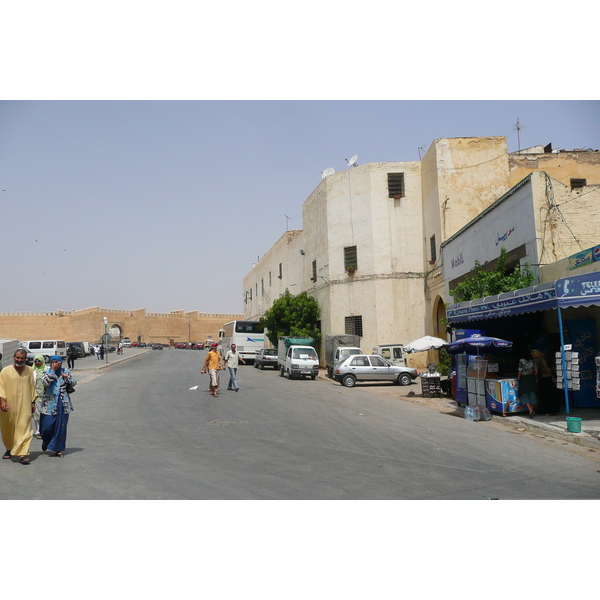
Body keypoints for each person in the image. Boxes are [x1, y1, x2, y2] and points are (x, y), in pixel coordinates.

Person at [0, 349, 36, 465]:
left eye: (22, 358)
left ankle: (23, 454)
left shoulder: (29, 371)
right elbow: (1, 387)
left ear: (25, 359)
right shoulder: (5, 371)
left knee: (25, 427)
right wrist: (1, 401)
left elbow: (32, 387)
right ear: (13, 357)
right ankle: (9, 448)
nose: (19, 360)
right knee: (8, 428)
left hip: (25, 404)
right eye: (17, 358)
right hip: (8, 405)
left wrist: (32, 402)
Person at [40, 355, 76, 458]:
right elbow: (45, 382)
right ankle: (46, 441)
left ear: (61, 363)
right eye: (53, 362)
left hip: (63, 403)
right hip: (49, 405)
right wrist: (53, 371)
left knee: (61, 427)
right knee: (47, 426)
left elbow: (74, 382)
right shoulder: (46, 371)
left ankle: (58, 449)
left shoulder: (66, 371)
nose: (55, 364)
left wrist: (67, 378)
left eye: (57, 362)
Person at [532, 349, 560, 415]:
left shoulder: (541, 359)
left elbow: (547, 369)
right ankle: (549, 410)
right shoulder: (539, 359)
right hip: (544, 379)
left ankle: (548, 411)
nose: (532, 356)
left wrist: (552, 377)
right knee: (547, 395)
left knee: (546, 395)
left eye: (533, 354)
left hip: (546, 379)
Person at [518, 350, 538, 418]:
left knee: (524, 395)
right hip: (531, 378)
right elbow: (536, 371)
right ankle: (531, 410)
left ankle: (530, 410)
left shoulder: (521, 360)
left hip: (524, 379)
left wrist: (518, 377)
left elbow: (520, 370)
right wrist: (533, 375)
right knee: (532, 394)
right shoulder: (533, 360)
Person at [31, 354, 46, 439]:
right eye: (35, 361)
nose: (37, 363)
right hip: (36, 396)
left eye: (39, 361)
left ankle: (44, 430)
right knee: (37, 414)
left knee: (45, 414)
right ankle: (38, 431)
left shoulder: (47, 370)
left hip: (46, 395)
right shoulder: (32, 371)